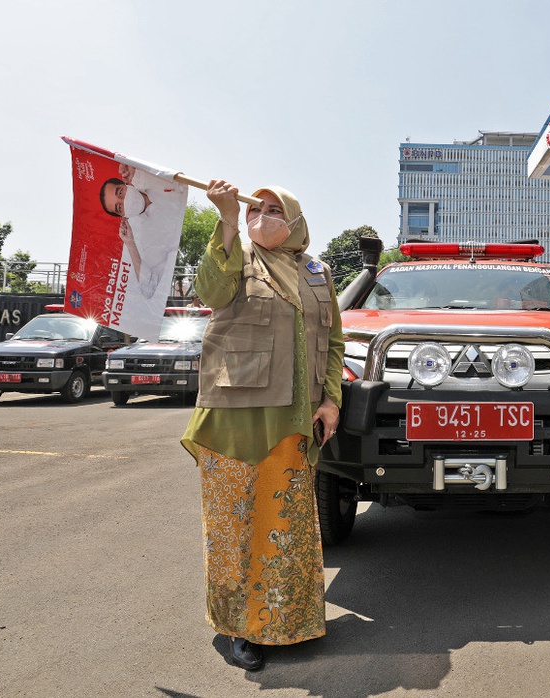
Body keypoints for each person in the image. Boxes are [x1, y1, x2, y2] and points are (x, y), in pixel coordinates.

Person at [180, 181, 344, 672]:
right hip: (236, 418)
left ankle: (290, 621)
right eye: (257, 208)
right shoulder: (237, 256)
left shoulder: (318, 272)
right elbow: (210, 290)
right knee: (236, 526)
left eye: (275, 210)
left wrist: (331, 400)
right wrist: (228, 219)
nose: (263, 216)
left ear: (294, 223)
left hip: (295, 421)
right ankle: (240, 629)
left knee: (288, 526)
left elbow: (333, 340)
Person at [99, 164, 187, 300]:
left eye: (120, 193)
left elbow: (181, 179)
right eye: (119, 207)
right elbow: (148, 289)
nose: (125, 201)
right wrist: (131, 245)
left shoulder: (146, 177)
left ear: (126, 184)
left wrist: (132, 166)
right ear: (123, 215)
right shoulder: (144, 238)